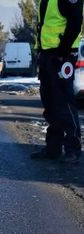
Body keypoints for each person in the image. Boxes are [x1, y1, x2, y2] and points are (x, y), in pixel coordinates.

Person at [32, 0, 83, 163]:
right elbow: (44, 27)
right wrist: (40, 51)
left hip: (62, 55)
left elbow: (76, 22)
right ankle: (53, 148)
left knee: (64, 102)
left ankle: (73, 149)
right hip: (47, 55)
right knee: (50, 102)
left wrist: (62, 52)